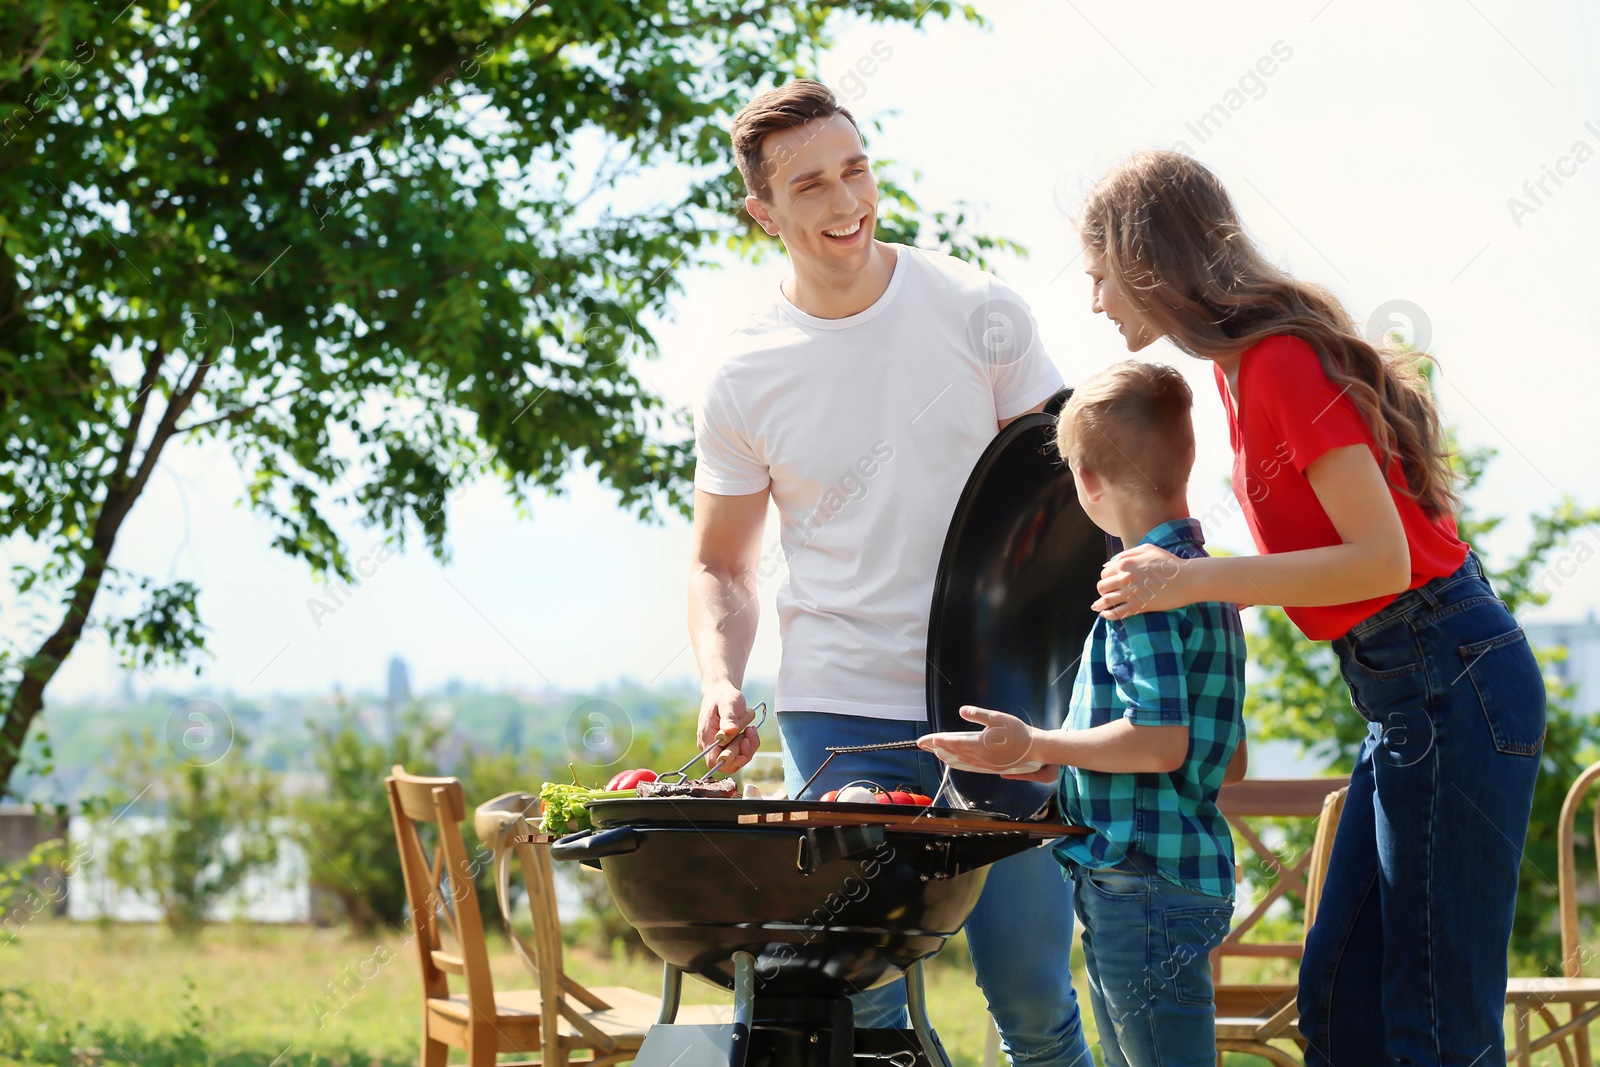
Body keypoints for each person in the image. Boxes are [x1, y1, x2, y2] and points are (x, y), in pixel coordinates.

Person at [1074, 149, 1545, 1064]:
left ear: (1145, 262)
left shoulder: (1279, 360)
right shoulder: (1236, 371)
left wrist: (1191, 579)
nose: (1095, 300)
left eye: (1099, 276)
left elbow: (1384, 555)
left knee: (1433, 1024)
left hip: (1452, 680)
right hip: (1408, 693)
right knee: (1340, 1004)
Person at [687, 79, 1090, 1065]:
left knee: (1032, 997)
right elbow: (720, 563)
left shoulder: (978, 311)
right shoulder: (745, 372)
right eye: (810, 184)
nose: (844, 201)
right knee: (859, 1008)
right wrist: (719, 678)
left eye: (855, 169)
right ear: (763, 212)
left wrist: (1059, 684)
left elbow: (1069, 498)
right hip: (840, 710)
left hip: (1001, 707)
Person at [921, 359, 1249, 1066]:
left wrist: (1040, 737)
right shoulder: (1213, 586)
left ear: (1089, 484)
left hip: (1139, 879)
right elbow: (1222, 753)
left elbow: (1159, 742)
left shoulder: (1137, 587)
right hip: (1176, 873)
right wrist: (1034, 755)